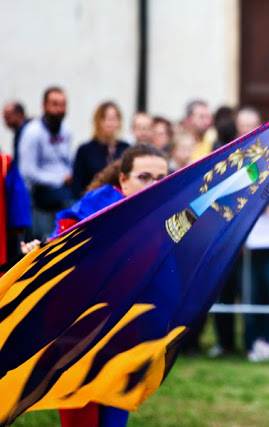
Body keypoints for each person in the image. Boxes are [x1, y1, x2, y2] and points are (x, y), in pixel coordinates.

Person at [50, 144, 169, 426]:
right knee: (82, 417)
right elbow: (61, 240)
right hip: (82, 332)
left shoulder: (165, 215)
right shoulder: (95, 207)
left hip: (127, 331)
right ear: (123, 181)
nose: (155, 185)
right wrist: (41, 250)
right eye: (145, 177)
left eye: (162, 178)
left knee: (114, 416)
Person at [18, 86, 74, 241]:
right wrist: (59, 179)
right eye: (54, 104)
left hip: (64, 187)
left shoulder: (66, 130)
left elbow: (67, 161)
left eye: (62, 105)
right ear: (44, 106)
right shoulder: (32, 132)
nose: (59, 109)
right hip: (40, 192)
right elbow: (27, 172)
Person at [72, 101, 129, 198]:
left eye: (113, 119)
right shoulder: (85, 150)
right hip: (92, 203)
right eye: (104, 118)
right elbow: (77, 185)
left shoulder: (126, 148)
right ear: (97, 122)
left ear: (119, 122)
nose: (109, 123)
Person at [3, 100, 30, 166]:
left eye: (8, 117)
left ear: (19, 114)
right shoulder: (18, 131)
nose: (5, 121)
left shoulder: (29, 131)